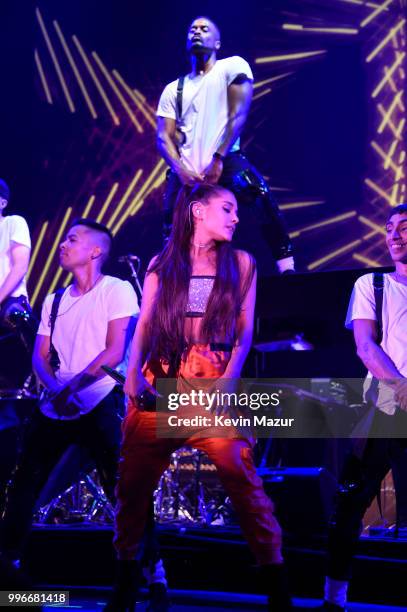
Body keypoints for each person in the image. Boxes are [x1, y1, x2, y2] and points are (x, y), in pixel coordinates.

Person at [108, 184, 292, 611]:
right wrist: (133, 373)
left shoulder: (242, 263)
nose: (236, 217)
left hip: (213, 379)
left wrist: (231, 376)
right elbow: (148, 323)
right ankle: (124, 590)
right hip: (164, 378)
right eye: (226, 209)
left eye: (235, 211)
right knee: (132, 487)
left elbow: (245, 329)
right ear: (197, 211)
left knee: (243, 481)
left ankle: (279, 592)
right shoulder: (163, 263)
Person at [0, 219, 168, 610]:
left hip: (99, 399)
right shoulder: (54, 300)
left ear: (95, 251)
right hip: (56, 405)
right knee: (23, 483)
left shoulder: (117, 289)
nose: (63, 243)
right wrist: (55, 389)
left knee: (124, 490)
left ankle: (154, 574)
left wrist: (71, 389)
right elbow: (40, 356)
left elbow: (113, 351)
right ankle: (10, 571)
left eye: (73, 239)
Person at [157, 16, 294, 275]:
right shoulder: (173, 89)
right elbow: (164, 137)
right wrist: (180, 168)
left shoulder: (232, 67)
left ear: (217, 42)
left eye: (204, 29)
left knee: (260, 197)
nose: (197, 32)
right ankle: (171, 276)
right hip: (187, 168)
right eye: (192, 29)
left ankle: (286, 267)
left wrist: (218, 157)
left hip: (226, 158)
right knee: (171, 223)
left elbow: (238, 115)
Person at [320, 203, 407, 611]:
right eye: (390, 228)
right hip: (386, 401)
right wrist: (400, 389)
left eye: (405, 228)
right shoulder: (371, 284)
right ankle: (334, 600)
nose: (395, 235)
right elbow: (365, 345)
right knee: (352, 500)